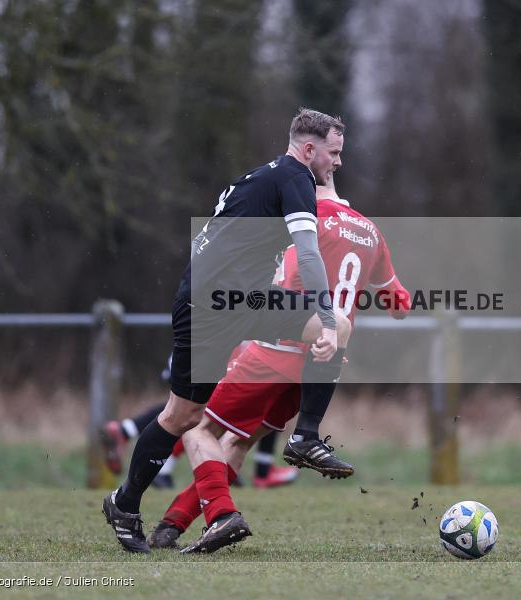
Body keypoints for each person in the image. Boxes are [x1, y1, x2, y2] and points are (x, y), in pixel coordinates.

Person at [103, 108, 354, 553]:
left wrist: (329, 323)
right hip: (209, 306)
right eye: (333, 154)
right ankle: (124, 504)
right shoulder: (294, 178)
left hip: (246, 299)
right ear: (308, 149)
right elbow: (308, 253)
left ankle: (304, 437)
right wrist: (326, 318)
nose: (337, 163)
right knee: (182, 417)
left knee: (338, 325)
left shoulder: (269, 176)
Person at [147, 177, 409, 551]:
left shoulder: (304, 218)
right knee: (239, 442)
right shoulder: (370, 232)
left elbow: (285, 274)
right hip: (321, 368)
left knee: (196, 425)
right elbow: (398, 305)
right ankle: (171, 526)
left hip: (276, 351)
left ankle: (220, 514)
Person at [100, 358, 298, 489]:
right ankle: (162, 467)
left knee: (191, 409)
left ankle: (127, 431)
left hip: (210, 345)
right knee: (192, 411)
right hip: (209, 348)